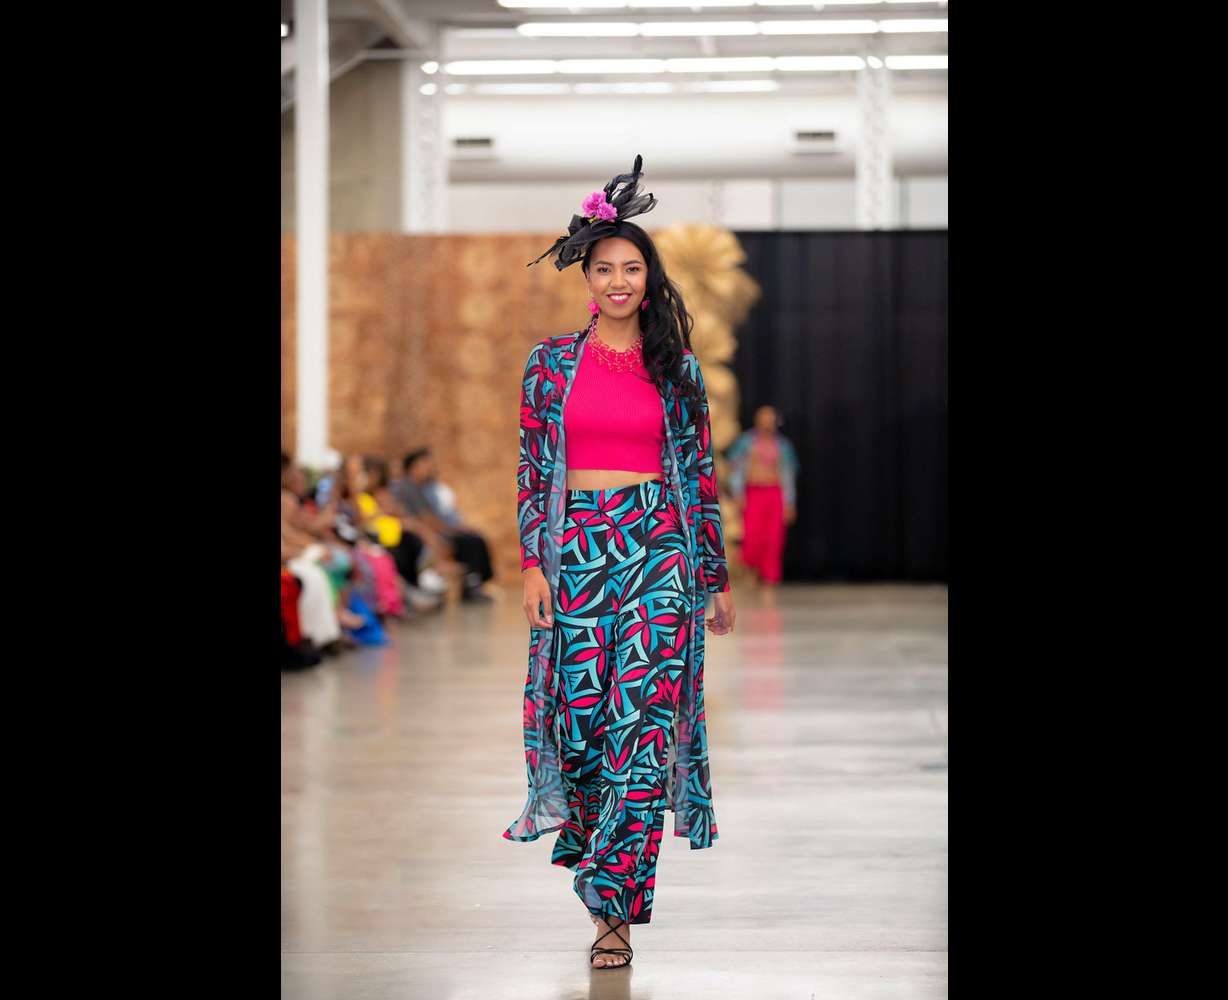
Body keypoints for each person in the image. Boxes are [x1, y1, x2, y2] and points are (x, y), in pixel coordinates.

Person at [505, 155, 735, 971]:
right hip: (574, 554)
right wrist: (533, 566)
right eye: (604, 268)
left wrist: (712, 574)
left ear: (649, 277)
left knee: (641, 730)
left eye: (632, 268)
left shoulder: (677, 368)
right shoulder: (550, 366)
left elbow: (700, 474)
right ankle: (596, 865)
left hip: (657, 550)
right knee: (584, 727)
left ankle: (617, 912)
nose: (618, 281)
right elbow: (534, 471)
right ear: (585, 274)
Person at [392, 447, 496, 603]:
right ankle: (471, 584)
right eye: (426, 463)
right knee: (471, 541)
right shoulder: (408, 487)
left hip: (432, 530)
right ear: (415, 465)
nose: (430, 467)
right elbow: (425, 519)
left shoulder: (421, 487)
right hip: (425, 533)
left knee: (473, 538)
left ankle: (473, 583)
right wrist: (452, 529)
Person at [726, 405, 800, 587]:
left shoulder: (783, 446)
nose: (766, 423)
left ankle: (769, 578)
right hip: (753, 492)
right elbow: (735, 469)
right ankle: (749, 570)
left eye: (770, 419)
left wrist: (789, 502)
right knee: (752, 536)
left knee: (774, 538)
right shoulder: (745, 442)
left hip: (775, 493)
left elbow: (788, 476)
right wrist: (738, 493)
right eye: (763, 418)